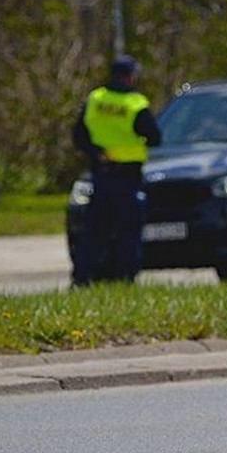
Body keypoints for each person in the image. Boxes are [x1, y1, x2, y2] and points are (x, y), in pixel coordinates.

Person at [71, 55, 161, 285]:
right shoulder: (135, 104)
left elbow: (78, 135)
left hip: (101, 175)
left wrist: (96, 152)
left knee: (94, 231)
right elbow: (154, 137)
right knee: (128, 231)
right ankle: (126, 278)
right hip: (127, 177)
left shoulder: (95, 99)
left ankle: (82, 278)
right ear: (131, 77)